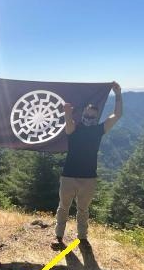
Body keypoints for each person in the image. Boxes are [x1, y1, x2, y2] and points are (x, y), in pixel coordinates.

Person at [51, 81, 123, 249]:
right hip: (69, 176)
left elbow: (117, 114)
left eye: (92, 116)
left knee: (83, 210)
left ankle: (82, 238)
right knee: (63, 207)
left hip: (89, 178)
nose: (89, 118)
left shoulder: (99, 130)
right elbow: (68, 125)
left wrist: (118, 94)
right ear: (83, 113)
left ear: (96, 117)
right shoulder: (73, 129)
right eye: (87, 115)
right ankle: (59, 237)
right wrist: (67, 112)